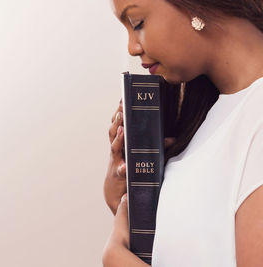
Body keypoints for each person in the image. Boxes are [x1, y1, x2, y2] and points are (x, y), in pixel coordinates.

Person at [102, 0, 263, 266]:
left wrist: (117, 261)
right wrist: (125, 204)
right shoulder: (209, 114)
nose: (132, 47)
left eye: (137, 23)